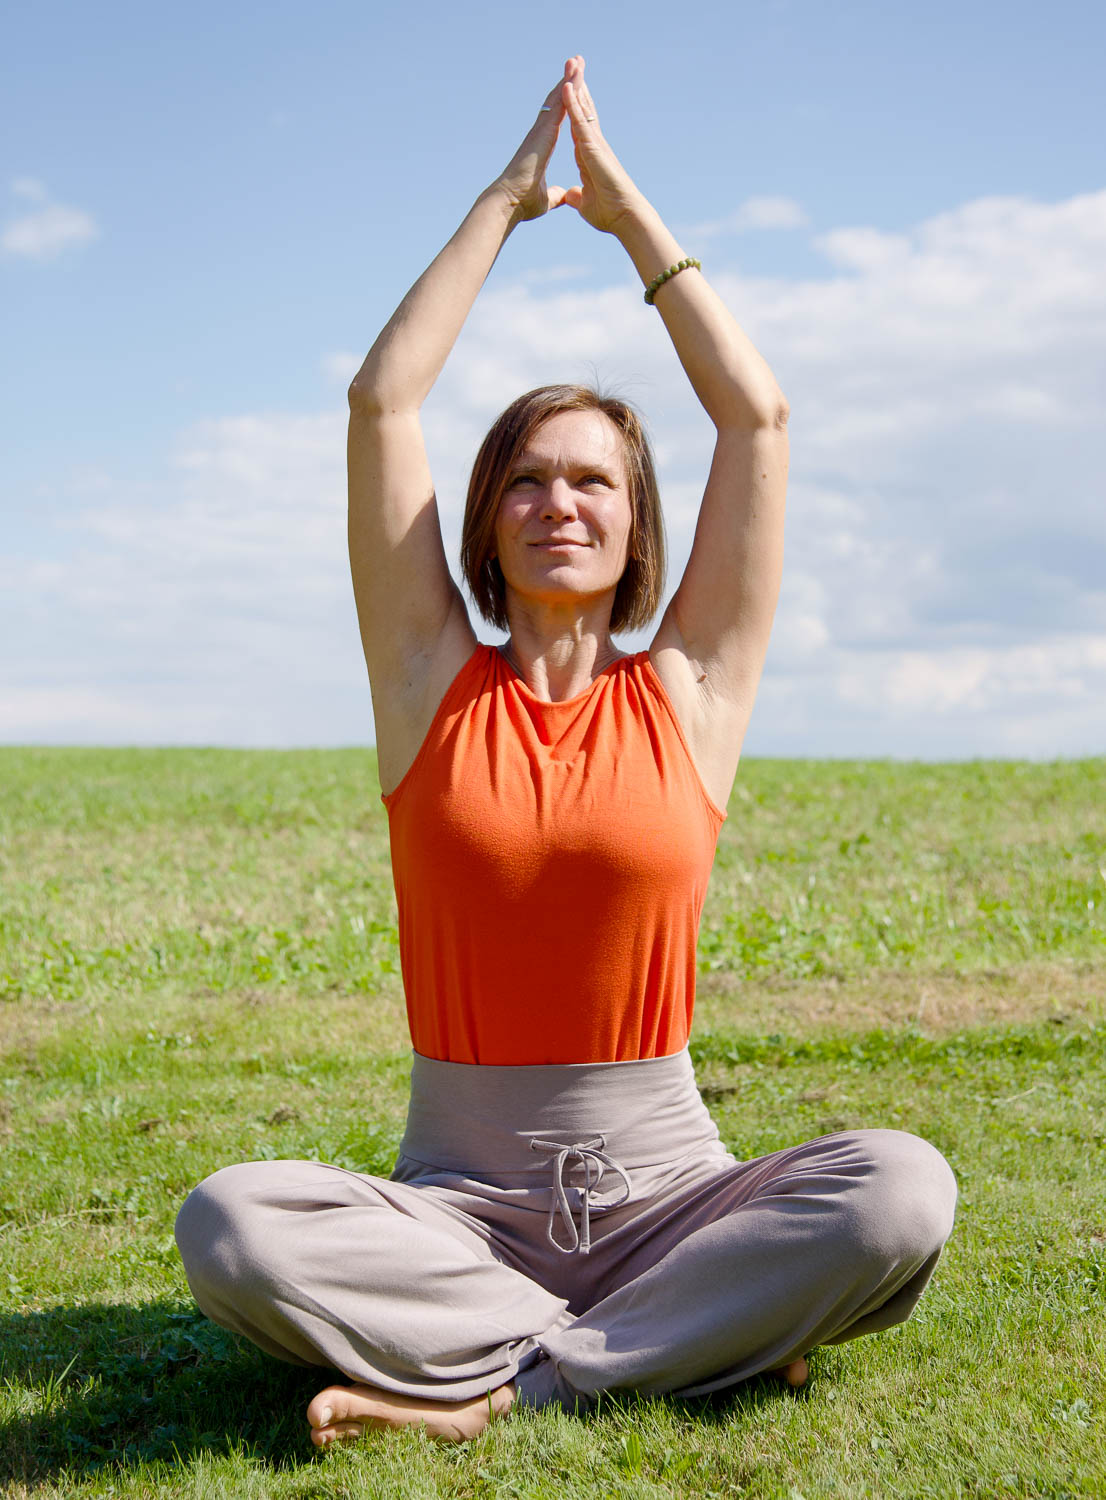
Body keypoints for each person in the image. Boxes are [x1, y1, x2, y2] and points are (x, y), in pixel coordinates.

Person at [175, 56, 957, 1447]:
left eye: (591, 479)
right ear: (483, 523)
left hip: (671, 1197)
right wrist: (504, 201)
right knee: (229, 1225)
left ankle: (510, 1384)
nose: (558, 504)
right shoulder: (426, 681)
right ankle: (678, 1347)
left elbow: (757, 418)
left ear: (635, 522)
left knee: (899, 1190)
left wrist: (626, 220)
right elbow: (380, 406)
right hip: (458, 1212)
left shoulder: (693, 690)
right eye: (526, 480)